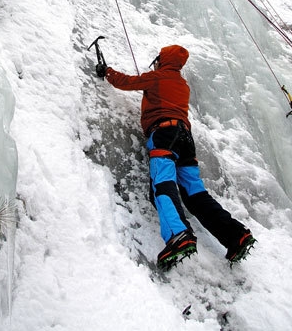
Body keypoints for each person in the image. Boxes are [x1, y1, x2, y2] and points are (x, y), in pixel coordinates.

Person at [98, 44, 256, 270]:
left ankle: (178, 234)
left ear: (163, 60)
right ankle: (235, 235)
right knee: (195, 192)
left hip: (164, 133)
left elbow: (127, 82)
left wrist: (107, 71)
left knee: (163, 182)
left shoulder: (158, 77)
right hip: (185, 138)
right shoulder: (182, 84)